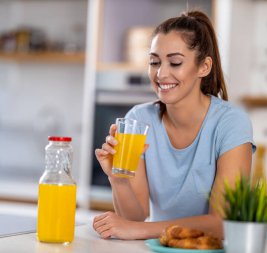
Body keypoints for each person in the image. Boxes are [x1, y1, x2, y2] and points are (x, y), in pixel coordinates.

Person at [92, 10, 256, 240]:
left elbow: (221, 223)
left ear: (204, 67)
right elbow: (135, 216)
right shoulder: (138, 121)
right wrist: (118, 179)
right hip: (161, 247)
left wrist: (141, 230)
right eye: (154, 62)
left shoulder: (230, 124)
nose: (161, 73)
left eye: (175, 62)